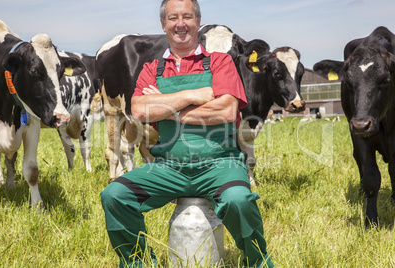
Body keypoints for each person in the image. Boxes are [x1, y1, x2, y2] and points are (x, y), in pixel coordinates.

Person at [100, 0, 274, 267]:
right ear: (163, 24)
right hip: (169, 167)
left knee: (238, 200)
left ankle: (258, 261)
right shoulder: (152, 69)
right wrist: (195, 95)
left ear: (198, 20)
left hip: (220, 164)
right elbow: (138, 110)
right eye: (173, 18)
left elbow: (227, 110)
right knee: (114, 196)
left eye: (187, 17)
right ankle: (139, 262)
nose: (180, 24)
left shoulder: (220, 62)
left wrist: (167, 107)